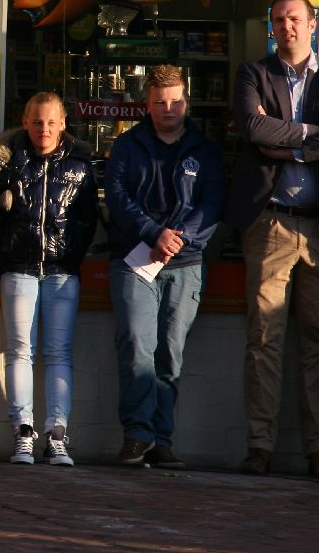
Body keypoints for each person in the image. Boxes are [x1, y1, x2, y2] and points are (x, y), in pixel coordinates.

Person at [227, 0, 319, 479]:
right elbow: (252, 126)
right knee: (264, 338)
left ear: (312, 24)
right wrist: (309, 133)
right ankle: (259, 446)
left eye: (295, 19)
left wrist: (290, 145)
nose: (288, 26)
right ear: (272, 27)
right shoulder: (253, 74)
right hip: (271, 224)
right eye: (280, 20)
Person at [104, 65, 224, 469]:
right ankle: (136, 435)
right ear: (147, 103)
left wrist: (178, 239)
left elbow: (212, 202)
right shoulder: (128, 145)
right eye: (159, 102)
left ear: (186, 102)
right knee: (137, 347)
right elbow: (117, 197)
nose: (167, 108)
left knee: (170, 355)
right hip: (134, 259)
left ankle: (161, 440)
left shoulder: (204, 149)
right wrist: (154, 233)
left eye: (175, 101)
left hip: (185, 262)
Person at [0, 92, 99, 467]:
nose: (44, 129)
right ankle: (23, 432)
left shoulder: (80, 165)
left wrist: (71, 256)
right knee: (20, 350)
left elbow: (88, 219)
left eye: (51, 122)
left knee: (58, 352)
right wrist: (6, 257)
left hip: (62, 272)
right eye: (37, 122)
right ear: (25, 122)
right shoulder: (8, 162)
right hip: (18, 269)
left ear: (63, 123)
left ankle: (57, 435)